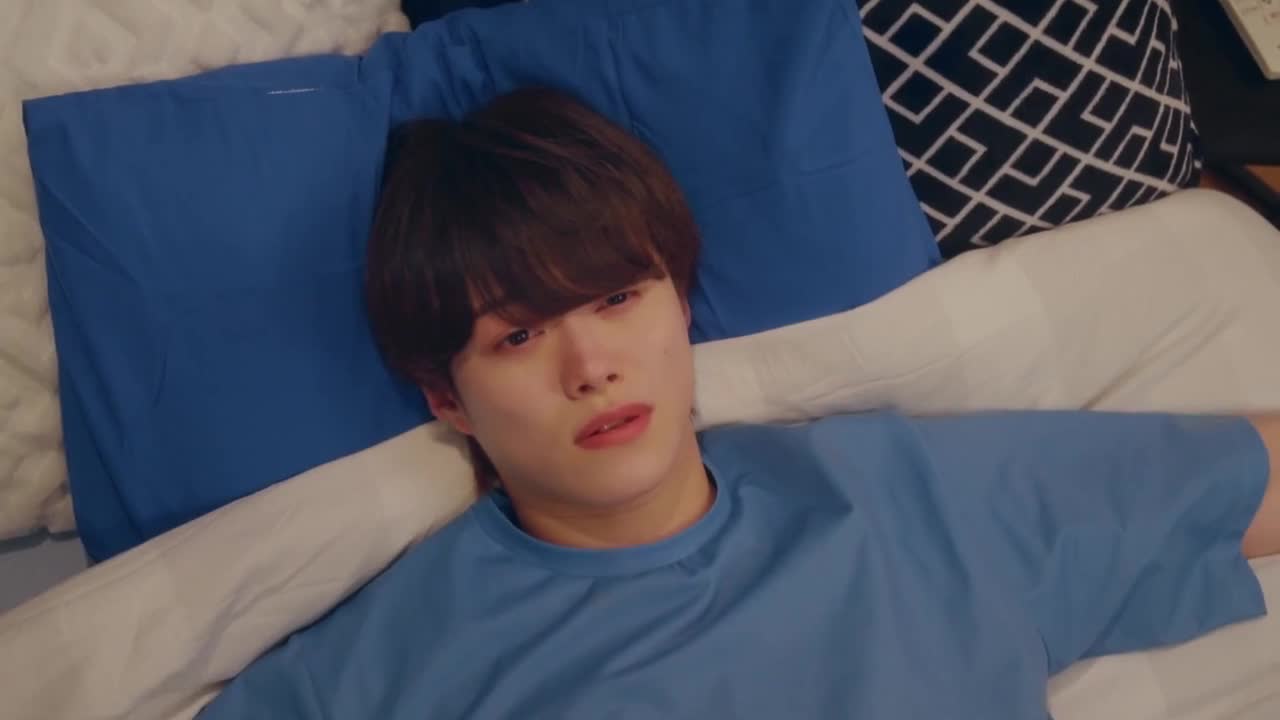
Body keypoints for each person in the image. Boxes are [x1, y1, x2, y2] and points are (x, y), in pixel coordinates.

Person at [198, 87, 1280, 719]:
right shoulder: (387, 667)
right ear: (449, 399)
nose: (590, 366)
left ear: (679, 306)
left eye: (617, 298)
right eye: (518, 336)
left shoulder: (908, 499)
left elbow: (1227, 486)